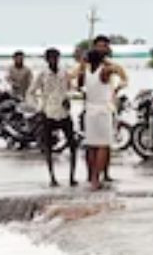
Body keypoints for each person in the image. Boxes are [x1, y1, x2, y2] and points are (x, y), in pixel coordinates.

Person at [29, 47, 78, 187]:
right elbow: (31, 92)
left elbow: (71, 88)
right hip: (48, 113)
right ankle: (52, 177)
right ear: (47, 60)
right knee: (48, 147)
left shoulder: (64, 72)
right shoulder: (42, 74)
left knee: (72, 144)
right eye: (51, 58)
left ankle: (72, 177)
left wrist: (69, 98)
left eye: (56, 58)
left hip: (64, 112)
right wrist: (39, 107)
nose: (54, 61)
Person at [78, 49, 122, 190]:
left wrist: (83, 63)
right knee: (103, 145)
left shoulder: (85, 73)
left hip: (89, 111)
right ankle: (96, 178)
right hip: (102, 110)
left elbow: (79, 84)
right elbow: (117, 70)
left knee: (91, 146)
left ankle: (92, 177)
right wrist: (105, 60)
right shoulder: (104, 72)